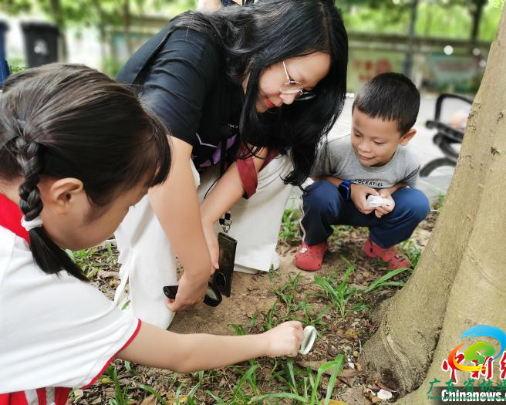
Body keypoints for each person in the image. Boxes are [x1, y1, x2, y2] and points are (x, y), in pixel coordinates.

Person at [0, 64, 304, 403]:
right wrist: (265, 342)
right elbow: (180, 354)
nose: (128, 213)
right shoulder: (49, 295)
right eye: (130, 204)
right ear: (66, 195)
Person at [114, 0, 348, 328]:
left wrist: (205, 220)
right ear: (269, 39)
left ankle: (242, 254)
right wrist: (196, 269)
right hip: (132, 170)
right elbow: (163, 163)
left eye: (304, 91)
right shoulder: (195, 45)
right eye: (292, 80)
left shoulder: (269, 90)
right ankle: (147, 312)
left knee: (282, 158)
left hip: (194, 165)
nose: (291, 97)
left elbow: (255, 151)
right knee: (165, 165)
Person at [294, 73, 430, 272]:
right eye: (357, 133)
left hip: (377, 211)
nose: (364, 147)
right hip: (337, 206)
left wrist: (388, 193)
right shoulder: (335, 149)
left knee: (417, 202)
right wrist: (351, 188)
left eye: (377, 142)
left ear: (405, 137)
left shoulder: (409, 160)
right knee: (319, 194)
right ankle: (314, 241)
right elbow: (317, 177)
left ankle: (380, 245)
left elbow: (406, 186)